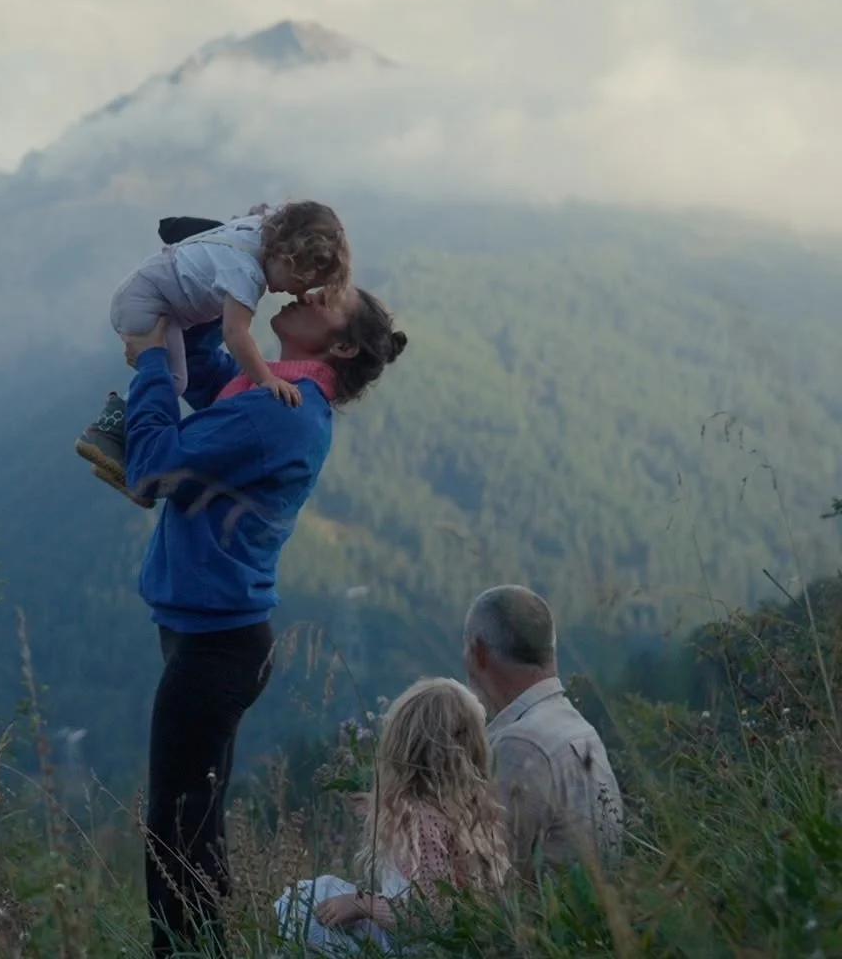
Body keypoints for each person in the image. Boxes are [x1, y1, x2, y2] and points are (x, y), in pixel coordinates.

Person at [118, 286, 407, 957]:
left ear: (341, 346)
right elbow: (204, 365)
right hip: (213, 637)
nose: (307, 290)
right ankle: (208, 945)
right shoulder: (269, 390)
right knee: (193, 825)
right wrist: (210, 287)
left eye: (327, 296)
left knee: (175, 831)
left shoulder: (280, 413)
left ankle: (189, 951)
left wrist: (151, 364)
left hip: (216, 647)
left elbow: (152, 468)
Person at [77, 201, 351, 507]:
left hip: (143, 290)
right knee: (174, 380)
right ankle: (110, 429)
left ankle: (118, 451)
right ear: (287, 256)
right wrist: (267, 379)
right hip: (149, 304)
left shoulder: (258, 231)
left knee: (173, 374)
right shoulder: (247, 274)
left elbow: (273, 214)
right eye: (301, 282)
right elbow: (236, 334)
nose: (298, 293)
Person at [274, 678, 512, 955]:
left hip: (414, 948)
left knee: (304, 901)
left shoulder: (422, 822)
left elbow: (432, 916)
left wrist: (364, 904)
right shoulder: (470, 810)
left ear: (401, 747)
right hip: (447, 945)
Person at [462, 585, 625, 875]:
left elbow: (488, 877)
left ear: (479, 652)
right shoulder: (578, 728)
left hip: (544, 906)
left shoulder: (519, 744)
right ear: (550, 650)